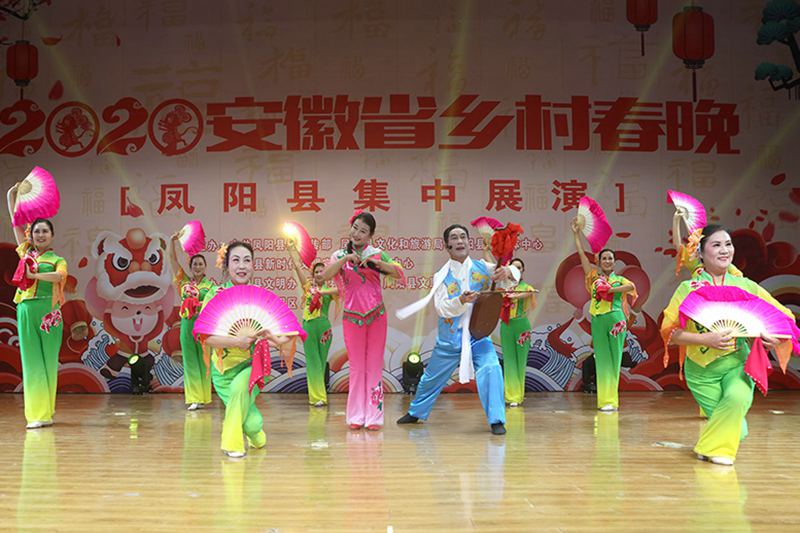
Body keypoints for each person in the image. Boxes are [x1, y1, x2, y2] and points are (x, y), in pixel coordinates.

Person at [661, 224, 795, 465]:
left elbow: (784, 317)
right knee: (737, 429)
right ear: (701, 253)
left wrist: (770, 338)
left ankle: (718, 452)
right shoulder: (688, 289)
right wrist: (706, 339)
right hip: (701, 372)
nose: (724, 250)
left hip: (738, 365)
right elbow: (671, 333)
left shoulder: (746, 286)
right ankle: (708, 447)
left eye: (728, 244)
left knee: (736, 399)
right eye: (716, 245)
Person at [396, 223, 518, 434]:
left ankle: (497, 420)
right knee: (431, 378)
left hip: (478, 337)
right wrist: (461, 300)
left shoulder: (484, 267)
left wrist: (508, 271)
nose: (460, 241)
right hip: (450, 338)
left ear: (469, 242)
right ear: (447, 246)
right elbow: (442, 308)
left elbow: (511, 280)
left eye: (463, 236)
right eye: (454, 238)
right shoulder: (441, 276)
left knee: (491, 368)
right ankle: (416, 412)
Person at [316, 211, 403, 430]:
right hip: (352, 318)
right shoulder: (339, 255)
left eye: (363, 231)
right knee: (356, 366)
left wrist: (376, 264)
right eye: (355, 228)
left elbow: (398, 273)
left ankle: (374, 417)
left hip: (376, 316)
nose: (357, 234)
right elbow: (324, 276)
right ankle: (356, 416)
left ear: (370, 235)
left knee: (373, 365)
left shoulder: (377, 254)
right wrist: (346, 259)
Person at [201, 241, 288, 458]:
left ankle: (232, 444)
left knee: (240, 390)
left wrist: (274, 339)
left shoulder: (259, 297)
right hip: (222, 371)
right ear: (226, 265)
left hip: (253, 366)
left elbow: (283, 336)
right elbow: (206, 337)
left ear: (253, 265)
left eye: (247, 260)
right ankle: (257, 435)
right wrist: (237, 342)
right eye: (236, 260)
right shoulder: (215, 294)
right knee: (250, 421)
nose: (242, 266)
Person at [7, 184, 67, 429]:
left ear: (52, 236)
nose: (40, 235)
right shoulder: (26, 254)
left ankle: (46, 411)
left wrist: (35, 275)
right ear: (30, 236)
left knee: (48, 361)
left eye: (45, 231)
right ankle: (37, 414)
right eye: (37, 232)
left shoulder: (57, 259)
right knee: (31, 362)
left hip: (49, 313)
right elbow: (15, 224)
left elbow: (59, 277)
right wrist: (11, 196)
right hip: (25, 308)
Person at [571, 218, 637, 412]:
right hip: (598, 320)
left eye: (610, 258)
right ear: (599, 262)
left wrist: (610, 290)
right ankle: (604, 401)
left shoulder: (620, 279)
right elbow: (581, 255)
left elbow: (631, 287)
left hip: (616, 320)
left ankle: (612, 400)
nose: (607, 261)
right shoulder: (593, 278)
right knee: (601, 358)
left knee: (615, 359)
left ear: (614, 262)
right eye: (604, 258)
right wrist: (576, 235)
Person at [288, 242, 339, 407]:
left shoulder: (330, 289)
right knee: (313, 362)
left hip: (324, 329)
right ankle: (317, 397)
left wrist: (322, 292)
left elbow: (341, 290)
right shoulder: (308, 288)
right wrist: (291, 250)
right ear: (313, 274)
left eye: (322, 271)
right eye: (316, 272)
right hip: (309, 326)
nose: (319, 274)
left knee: (321, 362)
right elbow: (297, 267)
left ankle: (319, 395)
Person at [169, 231, 214, 410]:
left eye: (200, 264)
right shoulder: (184, 282)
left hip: (203, 327)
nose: (197, 266)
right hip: (187, 326)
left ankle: (204, 397)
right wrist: (172, 242)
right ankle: (195, 398)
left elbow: (213, 306)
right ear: (190, 266)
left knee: (204, 361)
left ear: (205, 267)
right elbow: (172, 260)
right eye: (195, 264)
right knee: (190, 361)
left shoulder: (210, 286)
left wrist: (198, 303)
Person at [499, 257, 537, 407]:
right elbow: (496, 267)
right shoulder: (504, 285)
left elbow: (529, 293)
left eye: (519, 268)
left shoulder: (526, 287)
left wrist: (514, 295)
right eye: (513, 267)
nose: (516, 270)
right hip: (506, 325)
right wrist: (487, 251)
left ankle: (518, 395)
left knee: (520, 361)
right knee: (509, 361)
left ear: (523, 271)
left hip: (522, 326)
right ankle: (511, 396)